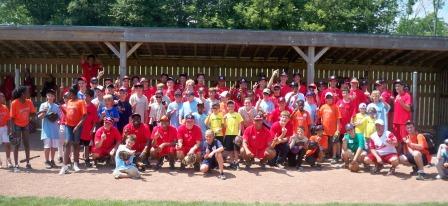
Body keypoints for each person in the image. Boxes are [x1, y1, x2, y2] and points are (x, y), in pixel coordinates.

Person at [60, 85, 86, 175]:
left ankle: (75, 164)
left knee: (76, 144)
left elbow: (84, 116)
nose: (68, 95)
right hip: (68, 125)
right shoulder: (69, 101)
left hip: (77, 126)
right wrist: (62, 109)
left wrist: (77, 126)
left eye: (70, 93)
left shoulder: (81, 102)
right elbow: (68, 113)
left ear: (73, 93)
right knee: (67, 143)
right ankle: (64, 166)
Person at [10, 86, 36, 172]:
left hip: (25, 125)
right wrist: (12, 130)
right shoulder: (14, 103)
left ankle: (28, 163)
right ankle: (16, 165)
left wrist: (33, 115)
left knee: (27, 144)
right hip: (16, 125)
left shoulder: (29, 102)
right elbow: (12, 118)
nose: (29, 93)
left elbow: (32, 113)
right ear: (22, 94)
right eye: (27, 92)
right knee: (16, 145)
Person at [37, 89, 61, 169]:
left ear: (54, 97)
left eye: (52, 96)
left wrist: (55, 117)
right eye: (49, 95)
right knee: (47, 146)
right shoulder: (43, 105)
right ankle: (47, 161)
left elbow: (60, 117)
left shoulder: (57, 106)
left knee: (54, 147)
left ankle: (52, 160)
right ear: (46, 96)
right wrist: (44, 112)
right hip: (46, 130)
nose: (50, 97)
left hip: (54, 129)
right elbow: (39, 117)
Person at [318, 92, 341, 162]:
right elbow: (319, 116)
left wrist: (337, 130)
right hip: (325, 130)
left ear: (332, 98)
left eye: (330, 98)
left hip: (333, 130)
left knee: (334, 143)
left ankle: (334, 156)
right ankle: (324, 156)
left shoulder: (336, 107)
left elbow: (338, 120)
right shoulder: (323, 107)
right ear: (325, 99)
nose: (329, 99)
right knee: (324, 144)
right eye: (327, 98)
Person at [79, 89, 98, 167]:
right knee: (76, 144)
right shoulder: (80, 104)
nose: (85, 97)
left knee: (86, 145)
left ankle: (87, 160)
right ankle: (75, 160)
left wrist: (92, 129)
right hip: (80, 128)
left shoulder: (93, 107)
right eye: (84, 95)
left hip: (88, 129)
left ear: (91, 97)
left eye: (87, 96)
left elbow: (94, 120)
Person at [223, 100, 244, 169]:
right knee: (230, 150)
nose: (230, 107)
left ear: (234, 107)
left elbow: (240, 125)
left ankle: (237, 163)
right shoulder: (226, 115)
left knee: (236, 150)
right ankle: (232, 163)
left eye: (232, 106)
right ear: (227, 107)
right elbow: (225, 126)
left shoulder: (237, 114)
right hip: (228, 135)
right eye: (229, 106)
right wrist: (224, 120)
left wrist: (239, 134)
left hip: (235, 135)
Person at [393, 80, 412, 153]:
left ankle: (407, 155)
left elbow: (408, 108)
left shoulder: (407, 95)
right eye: (396, 86)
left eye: (399, 86)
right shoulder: (397, 96)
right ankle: (399, 155)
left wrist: (401, 102)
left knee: (405, 140)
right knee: (397, 139)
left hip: (403, 121)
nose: (397, 87)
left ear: (403, 87)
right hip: (396, 121)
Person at [0, 92, 12, 168]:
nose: (4, 98)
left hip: (4, 128)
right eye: (2, 97)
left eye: (3, 96)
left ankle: (8, 161)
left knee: (7, 144)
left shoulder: (5, 107)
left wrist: (9, 128)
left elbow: (8, 119)